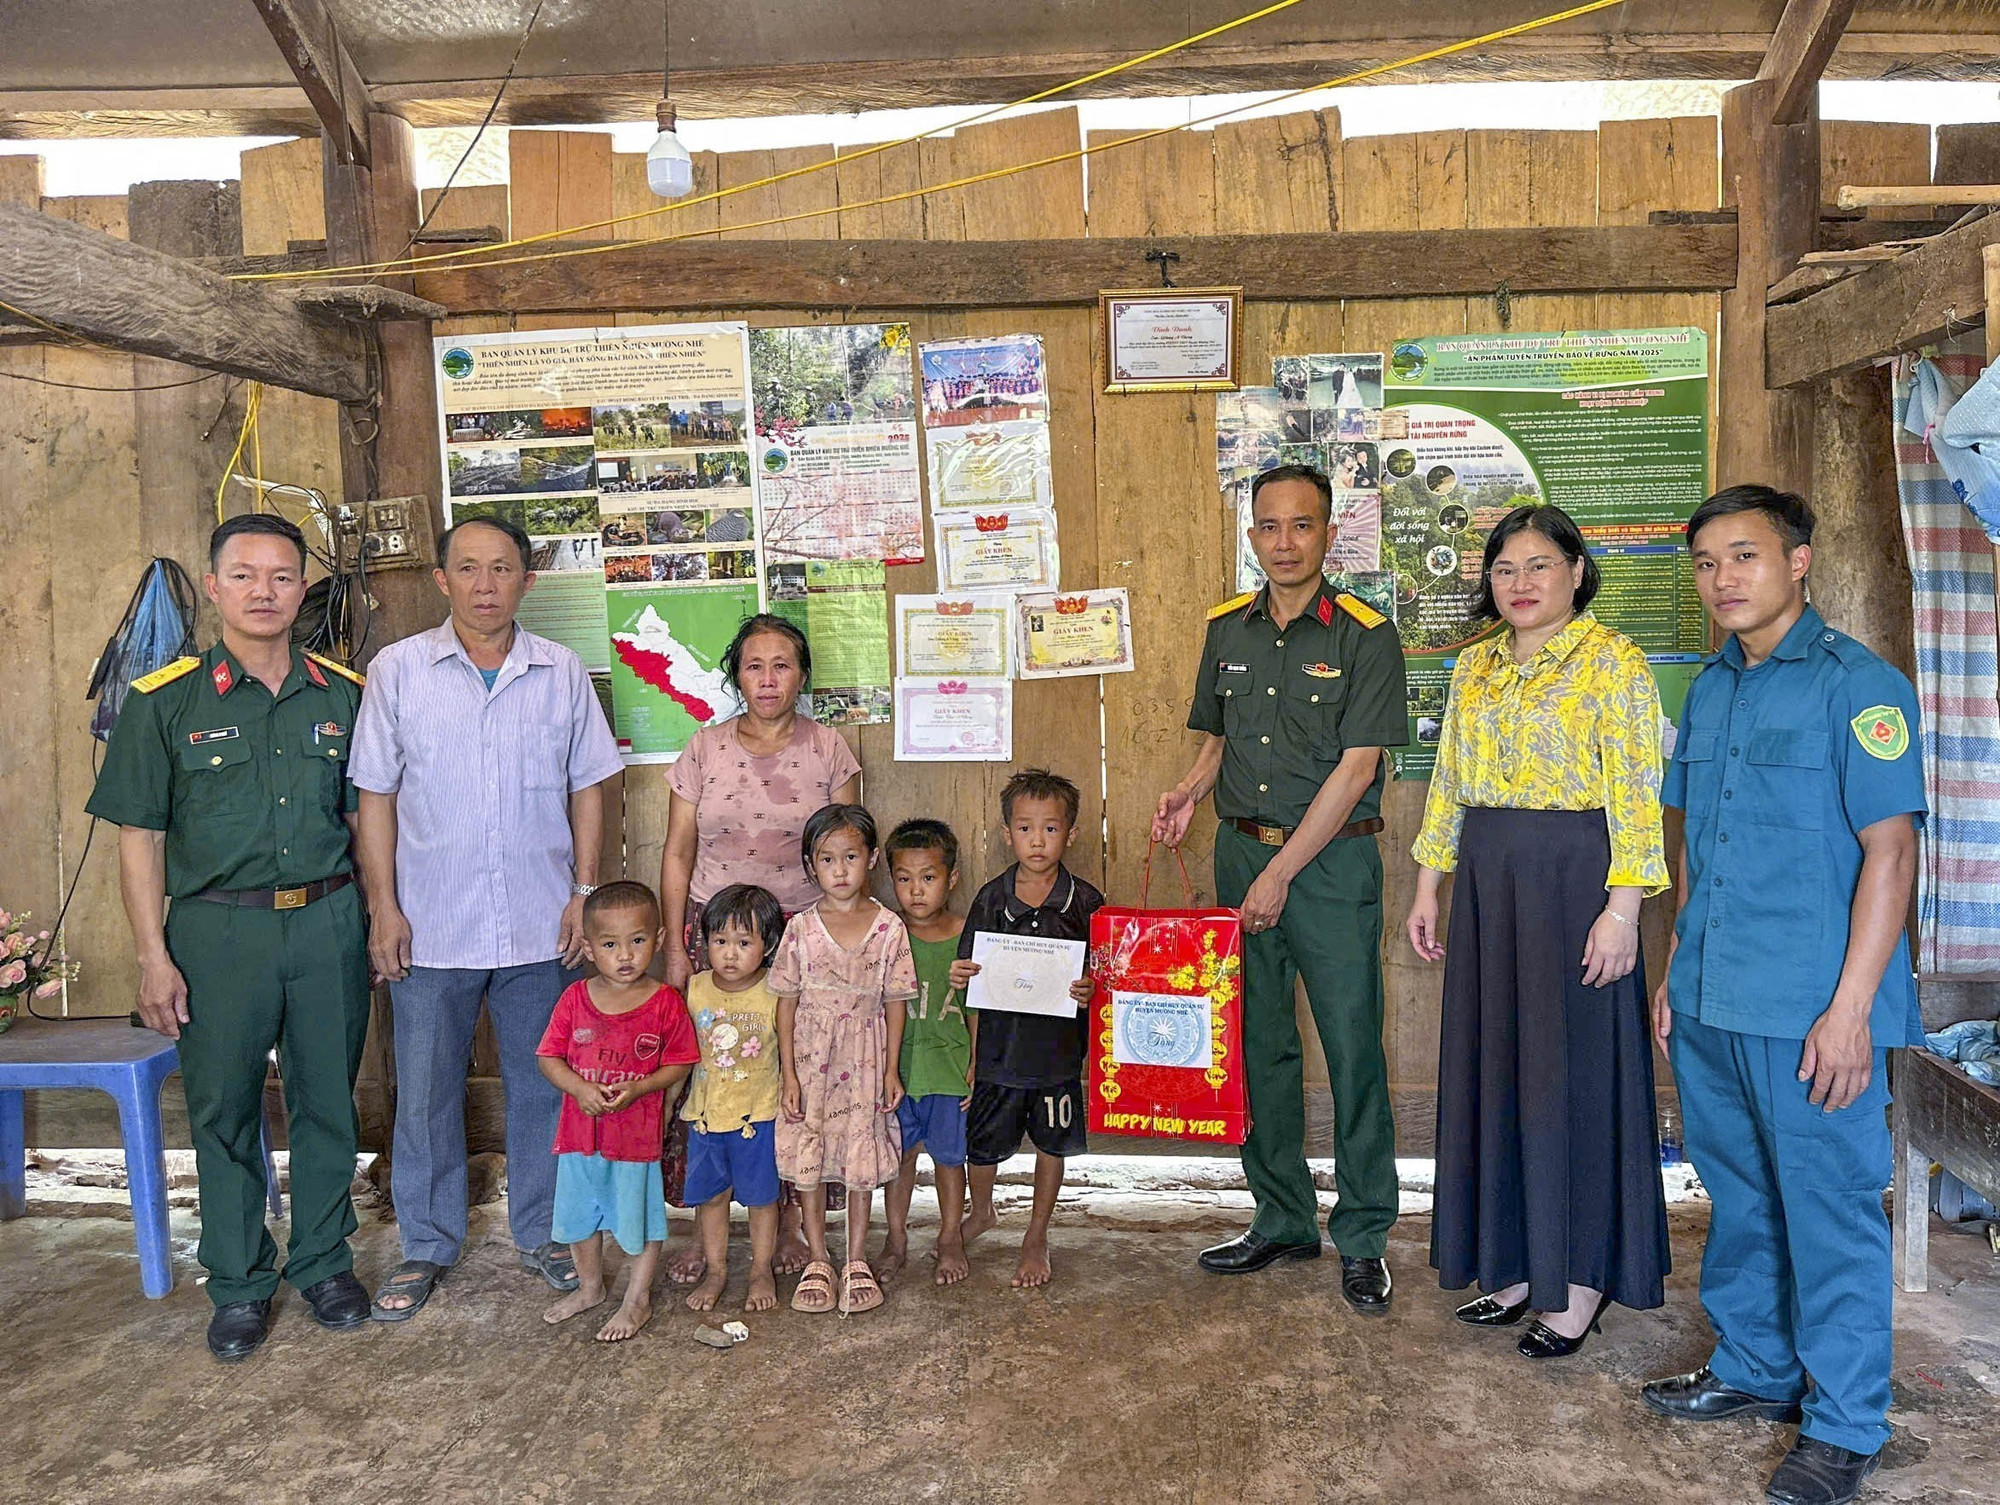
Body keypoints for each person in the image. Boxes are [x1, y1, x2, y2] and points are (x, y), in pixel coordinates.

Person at [1640, 486, 1925, 1505]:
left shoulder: (1860, 687)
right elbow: (1690, 846)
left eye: (1743, 556)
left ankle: (1844, 1423)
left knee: (1830, 1210)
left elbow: (1889, 854)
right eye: (1707, 561)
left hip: (1811, 1012)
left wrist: (1851, 1008)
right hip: (1715, 999)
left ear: (1797, 562)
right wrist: (1674, 967)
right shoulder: (1707, 691)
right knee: (1743, 1197)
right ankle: (1756, 1369)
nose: (1721, 578)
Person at [88, 512, 373, 1360]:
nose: (264, 591)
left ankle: (323, 1261)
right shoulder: (163, 701)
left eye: (282, 576)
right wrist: (152, 955)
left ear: (300, 592)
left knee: (329, 1100)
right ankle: (241, 1281)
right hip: (218, 932)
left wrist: (377, 912)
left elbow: (366, 819)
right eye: (244, 575)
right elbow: (137, 835)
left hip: (326, 920)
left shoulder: (343, 693)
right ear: (213, 588)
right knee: (222, 1109)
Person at [1404, 504, 1671, 1359]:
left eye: (1539, 566)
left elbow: (1635, 788)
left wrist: (1623, 908)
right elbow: (1449, 781)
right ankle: (1516, 1264)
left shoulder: (1613, 661)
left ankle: (1582, 1277)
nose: (1520, 584)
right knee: (1501, 1065)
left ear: (1577, 572)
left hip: (1576, 882)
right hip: (1488, 880)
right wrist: (1427, 887)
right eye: (1505, 569)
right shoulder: (1475, 666)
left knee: (1575, 1073)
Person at [350, 515, 624, 1322]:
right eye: (467, 568)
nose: (483, 585)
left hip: (546, 922)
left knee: (545, 1085)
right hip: (430, 924)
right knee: (427, 1089)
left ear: (526, 581)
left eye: (501, 569)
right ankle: (427, 1243)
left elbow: (589, 787)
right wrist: (384, 907)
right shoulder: (398, 671)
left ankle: (545, 1230)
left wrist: (582, 890)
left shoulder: (560, 671)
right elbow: (375, 796)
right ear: (441, 579)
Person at [1153, 463, 1409, 1313]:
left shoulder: (1365, 634)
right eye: (1270, 526)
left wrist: (1281, 873)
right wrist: (1188, 791)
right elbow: (1218, 742)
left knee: (1351, 1046)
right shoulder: (1228, 628)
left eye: (1303, 525)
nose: (1286, 541)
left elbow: (1358, 767)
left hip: (1329, 868)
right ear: (1252, 534)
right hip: (1240, 857)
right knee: (1258, 1044)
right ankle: (1283, 1214)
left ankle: (1365, 1232)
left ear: (1331, 535)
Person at [660, 612, 862, 1284]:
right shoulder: (705, 747)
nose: (768, 678)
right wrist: (675, 947)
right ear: (736, 674)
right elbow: (679, 850)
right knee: (710, 1074)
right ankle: (704, 1229)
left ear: (802, 674)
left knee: (800, 1076)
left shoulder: (830, 748)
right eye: (754, 665)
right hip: (714, 932)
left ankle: (806, 1229)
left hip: (803, 935)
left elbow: (847, 846)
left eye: (782, 664)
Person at [951, 769, 1103, 1290]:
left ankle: (1037, 1233)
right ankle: (983, 1210)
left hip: (1057, 1055)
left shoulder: (1085, 902)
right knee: (983, 1145)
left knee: (1051, 1144)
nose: (1037, 841)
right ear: (1006, 832)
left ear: (1072, 834)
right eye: (1025, 829)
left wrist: (1089, 987)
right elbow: (968, 972)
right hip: (997, 1051)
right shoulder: (991, 899)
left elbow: (1104, 974)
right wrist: (960, 978)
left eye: (1051, 829)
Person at [536, 881, 697, 1342]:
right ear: (588, 948)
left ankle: (637, 1299)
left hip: (635, 1140)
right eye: (610, 944)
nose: (625, 955)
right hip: (579, 1135)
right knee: (579, 1217)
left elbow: (681, 1062)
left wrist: (642, 1087)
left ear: (661, 941)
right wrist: (579, 1088)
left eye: (638, 941)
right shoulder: (575, 1000)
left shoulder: (665, 1002)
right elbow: (549, 1058)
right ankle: (589, 1288)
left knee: (639, 1219)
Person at [771, 804, 916, 1314]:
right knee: (810, 1156)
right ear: (811, 867)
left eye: (850, 856)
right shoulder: (800, 929)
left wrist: (892, 1068)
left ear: (871, 858)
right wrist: (788, 1073)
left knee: (859, 1155)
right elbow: (784, 1003)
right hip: (812, 1062)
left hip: (867, 1059)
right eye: (826, 859)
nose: (839, 869)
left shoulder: (889, 928)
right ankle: (818, 1257)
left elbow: (897, 1000)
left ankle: (855, 1256)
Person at [680, 884, 788, 1315]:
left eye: (744, 943)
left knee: (762, 1199)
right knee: (712, 1198)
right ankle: (718, 1269)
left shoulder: (777, 991)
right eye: (719, 942)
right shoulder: (695, 988)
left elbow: (790, 1050)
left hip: (757, 1116)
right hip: (706, 1117)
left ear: (768, 945)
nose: (729, 954)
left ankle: (760, 1268)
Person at [880, 818, 974, 1285]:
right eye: (904, 878)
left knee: (949, 1158)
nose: (916, 890)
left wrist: (976, 1064)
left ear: (951, 879)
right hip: (899, 1070)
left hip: (949, 1069)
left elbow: (979, 1005)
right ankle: (895, 1238)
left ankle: (950, 1236)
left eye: (929, 878)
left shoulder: (967, 934)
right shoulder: (886, 935)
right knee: (898, 1158)